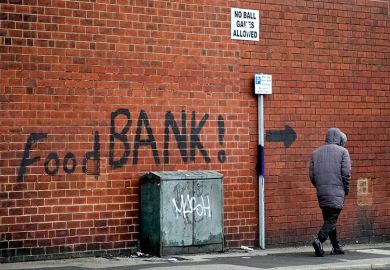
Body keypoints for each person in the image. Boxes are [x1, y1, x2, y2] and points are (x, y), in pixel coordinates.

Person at [309, 128, 351, 257]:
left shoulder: (315, 153)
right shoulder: (343, 152)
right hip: (337, 191)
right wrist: (346, 190)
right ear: (339, 139)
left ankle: (335, 246)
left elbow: (312, 175)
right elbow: (346, 174)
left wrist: (320, 186)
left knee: (329, 219)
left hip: (321, 191)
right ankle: (319, 239)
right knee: (332, 220)